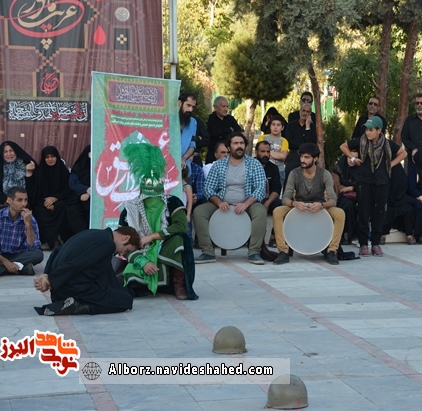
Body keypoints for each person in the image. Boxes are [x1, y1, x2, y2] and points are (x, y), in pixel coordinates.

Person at [118, 143, 198, 300]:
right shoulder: (130, 210)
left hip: (166, 244)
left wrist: (152, 237)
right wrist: (142, 261)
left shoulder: (172, 202)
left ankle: (179, 284)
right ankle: (145, 284)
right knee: (129, 280)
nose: (153, 203)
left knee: (180, 239)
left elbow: (181, 226)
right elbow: (121, 244)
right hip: (141, 250)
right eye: (148, 199)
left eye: (156, 199)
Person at [193, 132, 267, 265]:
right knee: (199, 212)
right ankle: (208, 252)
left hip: (247, 203)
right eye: (235, 143)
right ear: (229, 147)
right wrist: (219, 202)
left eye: (241, 143)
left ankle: (254, 252)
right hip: (222, 202)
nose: (239, 146)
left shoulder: (254, 164)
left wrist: (246, 204)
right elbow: (208, 188)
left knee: (260, 211)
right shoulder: (219, 165)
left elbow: (260, 188)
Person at [33, 226, 141, 316]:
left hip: (58, 292)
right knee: (125, 301)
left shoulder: (91, 233)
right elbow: (78, 264)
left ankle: (70, 303)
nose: (122, 254)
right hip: (74, 288)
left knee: (117, 291)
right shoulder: (108, 243)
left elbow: (56, 252)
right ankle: (80, 307)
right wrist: (51, 280)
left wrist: (46, 275)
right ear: (125, 238)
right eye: (126, 250)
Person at [340, 116, 407, 256]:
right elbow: (343, 146)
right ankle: (363, 243)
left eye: (371, 130)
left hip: (381, 181)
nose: (368, 132)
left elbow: (403, 153)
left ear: (379, 130)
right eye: (366, 130)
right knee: (363, 212)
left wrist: (391, 165)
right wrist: (352, 158)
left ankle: (375, 243)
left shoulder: (387, 144)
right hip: (364, 181)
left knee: (379, 213)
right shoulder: (361, 141)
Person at [272, 143, 344, 265]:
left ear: (315, 159)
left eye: (306, 157)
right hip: (299, 207)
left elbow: (333, 200)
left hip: (319, 207)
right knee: (277, 211)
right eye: (301, 157)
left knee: (340, 213)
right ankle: (283, 251)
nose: (302, 160)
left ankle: (332, 251)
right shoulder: (294, 173)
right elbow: (285, 198)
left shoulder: (324, 174)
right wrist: (294, 203)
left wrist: (321, 205)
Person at [30, 146, 71, 249]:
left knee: (63, 207)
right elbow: (36, 193)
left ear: (57, 157)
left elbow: (67, 191)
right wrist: (46, 203)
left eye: (52, 156)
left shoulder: (63, 171)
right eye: (47, 157)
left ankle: (56, 241)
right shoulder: (39, 172)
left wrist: (54, 198)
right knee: (39, 210)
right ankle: (54, 241)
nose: (50, 159)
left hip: (59, 200)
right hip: (42, 202)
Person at [0, 186, 43, 276]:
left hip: (18, 255)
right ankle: (21, 269)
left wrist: (28, 224)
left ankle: (9, 269)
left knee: (38, 255)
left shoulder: (29, 218)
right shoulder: (1, 216)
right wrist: (6, 262)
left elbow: (33, 246)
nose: (24, 204)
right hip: (1, 256)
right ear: (9, 200)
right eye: (19, 200)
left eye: (25, 200)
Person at [382, 163, 416, 245]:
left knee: (407, 208)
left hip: (401, 198)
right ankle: (382, 235)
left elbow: (403, 186)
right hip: (387, 199)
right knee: (385, 209)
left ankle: (409, 235)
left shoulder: (400, 172)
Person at [283, 103, 316, 180]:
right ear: (299, 112)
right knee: (289, 179)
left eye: (307, 112)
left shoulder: (312, 127)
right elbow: (289, 142)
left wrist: (307, 127)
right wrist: (304, 146)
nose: (305, 113)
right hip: (294, 156)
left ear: (310, 114)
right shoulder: (291, 126)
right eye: (303, 111)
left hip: (307, 157)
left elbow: (311, 144)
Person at [206, 96, 241, 164]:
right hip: (213, 154)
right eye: (223, 106)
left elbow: (238, 131)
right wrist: (229, 130)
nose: (226, 109)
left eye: (227, 106)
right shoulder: (211, 118)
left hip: (229, 153)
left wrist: (221, 132)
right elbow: (213, 132)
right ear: (216, 107)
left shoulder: (230, 119)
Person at [332, 155, 358, 246]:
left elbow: (364, 184)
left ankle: (355, 235)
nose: (352, 161)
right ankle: (345, 234)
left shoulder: (361, 169)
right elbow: (337, 186)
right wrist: (347, 189)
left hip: (360, 194)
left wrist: (352, 188)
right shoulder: (339, 168)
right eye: (350, 158)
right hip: (342, 196)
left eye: (355, 158)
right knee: (346, 204)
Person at [1, 141, 36, 206]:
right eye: (5, 152)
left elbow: (31, 191)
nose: (9, 154)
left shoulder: (25, 165)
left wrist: (29, 173)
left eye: (11, 151)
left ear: (15, 152)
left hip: (22, 203)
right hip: (3, 203)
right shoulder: (1, 166)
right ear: (2, 154)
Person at [67, 145, 91, 235]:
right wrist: (86, 189)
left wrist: (89, 193)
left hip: (94, 201)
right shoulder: (78, 168)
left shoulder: (103, 167)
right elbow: (73, 184)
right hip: (77, 200)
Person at [258, 114, 289, 186]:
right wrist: (277, 155)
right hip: (263, 169)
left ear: (282, 127)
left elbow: (283, 156)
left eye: (278, 125)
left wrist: (267, 153)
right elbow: (260, 154)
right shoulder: (262, 138)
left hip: (280, 171)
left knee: (277, 191)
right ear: (270, 126)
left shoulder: (284, 141)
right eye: (273, 124)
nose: (275, 127)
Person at [178, 92, 198, 173]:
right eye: (188, 105)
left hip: (185, 166)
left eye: (193, 107)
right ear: (180, 103)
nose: (190, 110)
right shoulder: (168, 119)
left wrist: (183, 158)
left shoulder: (193, 122)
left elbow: (192, 144)